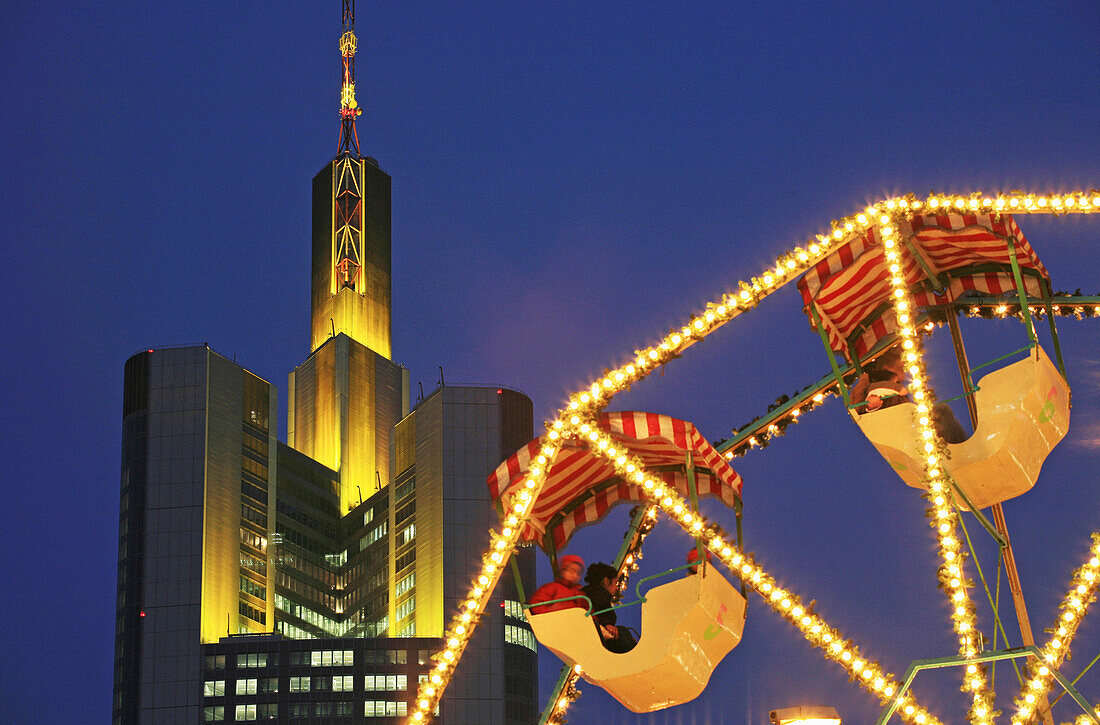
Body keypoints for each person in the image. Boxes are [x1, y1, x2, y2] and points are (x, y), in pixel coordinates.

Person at [850, 346, 968, 444]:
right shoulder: (885, 379)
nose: (904, 373)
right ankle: (957, 444)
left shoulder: (894, 389)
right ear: (888, 367)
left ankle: (956, 442)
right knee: (942, 411)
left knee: (943, 412)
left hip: (906, 423)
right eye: (901, 367)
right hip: (900, 428)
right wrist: (897, 389)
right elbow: (874, 391)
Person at [581, 562, 637, 653]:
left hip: (597, 631)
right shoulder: (597, 594)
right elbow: (597, 609)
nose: (616, 587)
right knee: (623, 631)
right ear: (606, 581)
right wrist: (606, 624)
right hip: (598, 634)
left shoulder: (594, 593)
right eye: (615, 583)